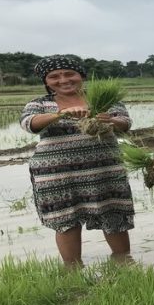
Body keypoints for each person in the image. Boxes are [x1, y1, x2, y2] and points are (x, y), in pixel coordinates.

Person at [20, 56, 135, 266]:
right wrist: (59, 114)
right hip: (57, 174)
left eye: (69, 74)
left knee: (114, 215)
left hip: (106, 171)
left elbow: (125, 123)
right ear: (46, 81)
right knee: (66, 221)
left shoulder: (104, 98)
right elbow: (29, 124)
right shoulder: (39, 103)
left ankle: (124, 264)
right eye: (54, 76)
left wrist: (110, 119)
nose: (63, 80)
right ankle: (73, 271)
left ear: (81, 75)